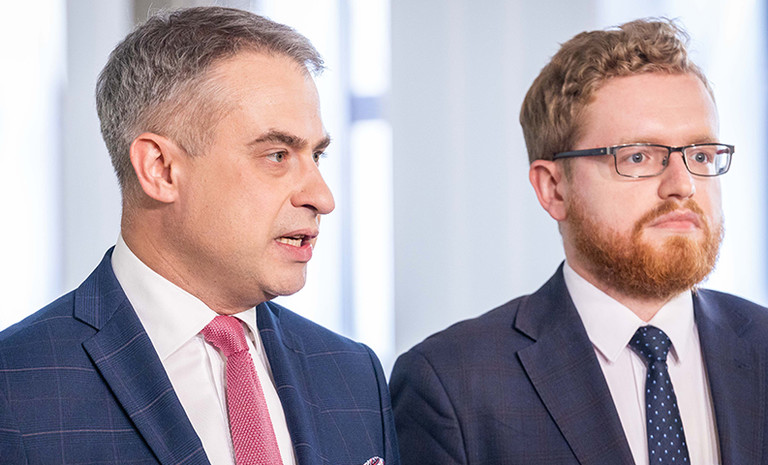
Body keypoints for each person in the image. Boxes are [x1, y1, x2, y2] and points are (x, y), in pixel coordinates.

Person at [0, 7, 398, 465]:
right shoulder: (16, 387)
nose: (322, 197)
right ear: (160, 169)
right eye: (277, 155)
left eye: (317, 155)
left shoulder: (354, 374)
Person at [390, 18, 768, 465]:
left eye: (701, 155)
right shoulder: (454, 386)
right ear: (553, 188)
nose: (683, 185)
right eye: (638, 157)